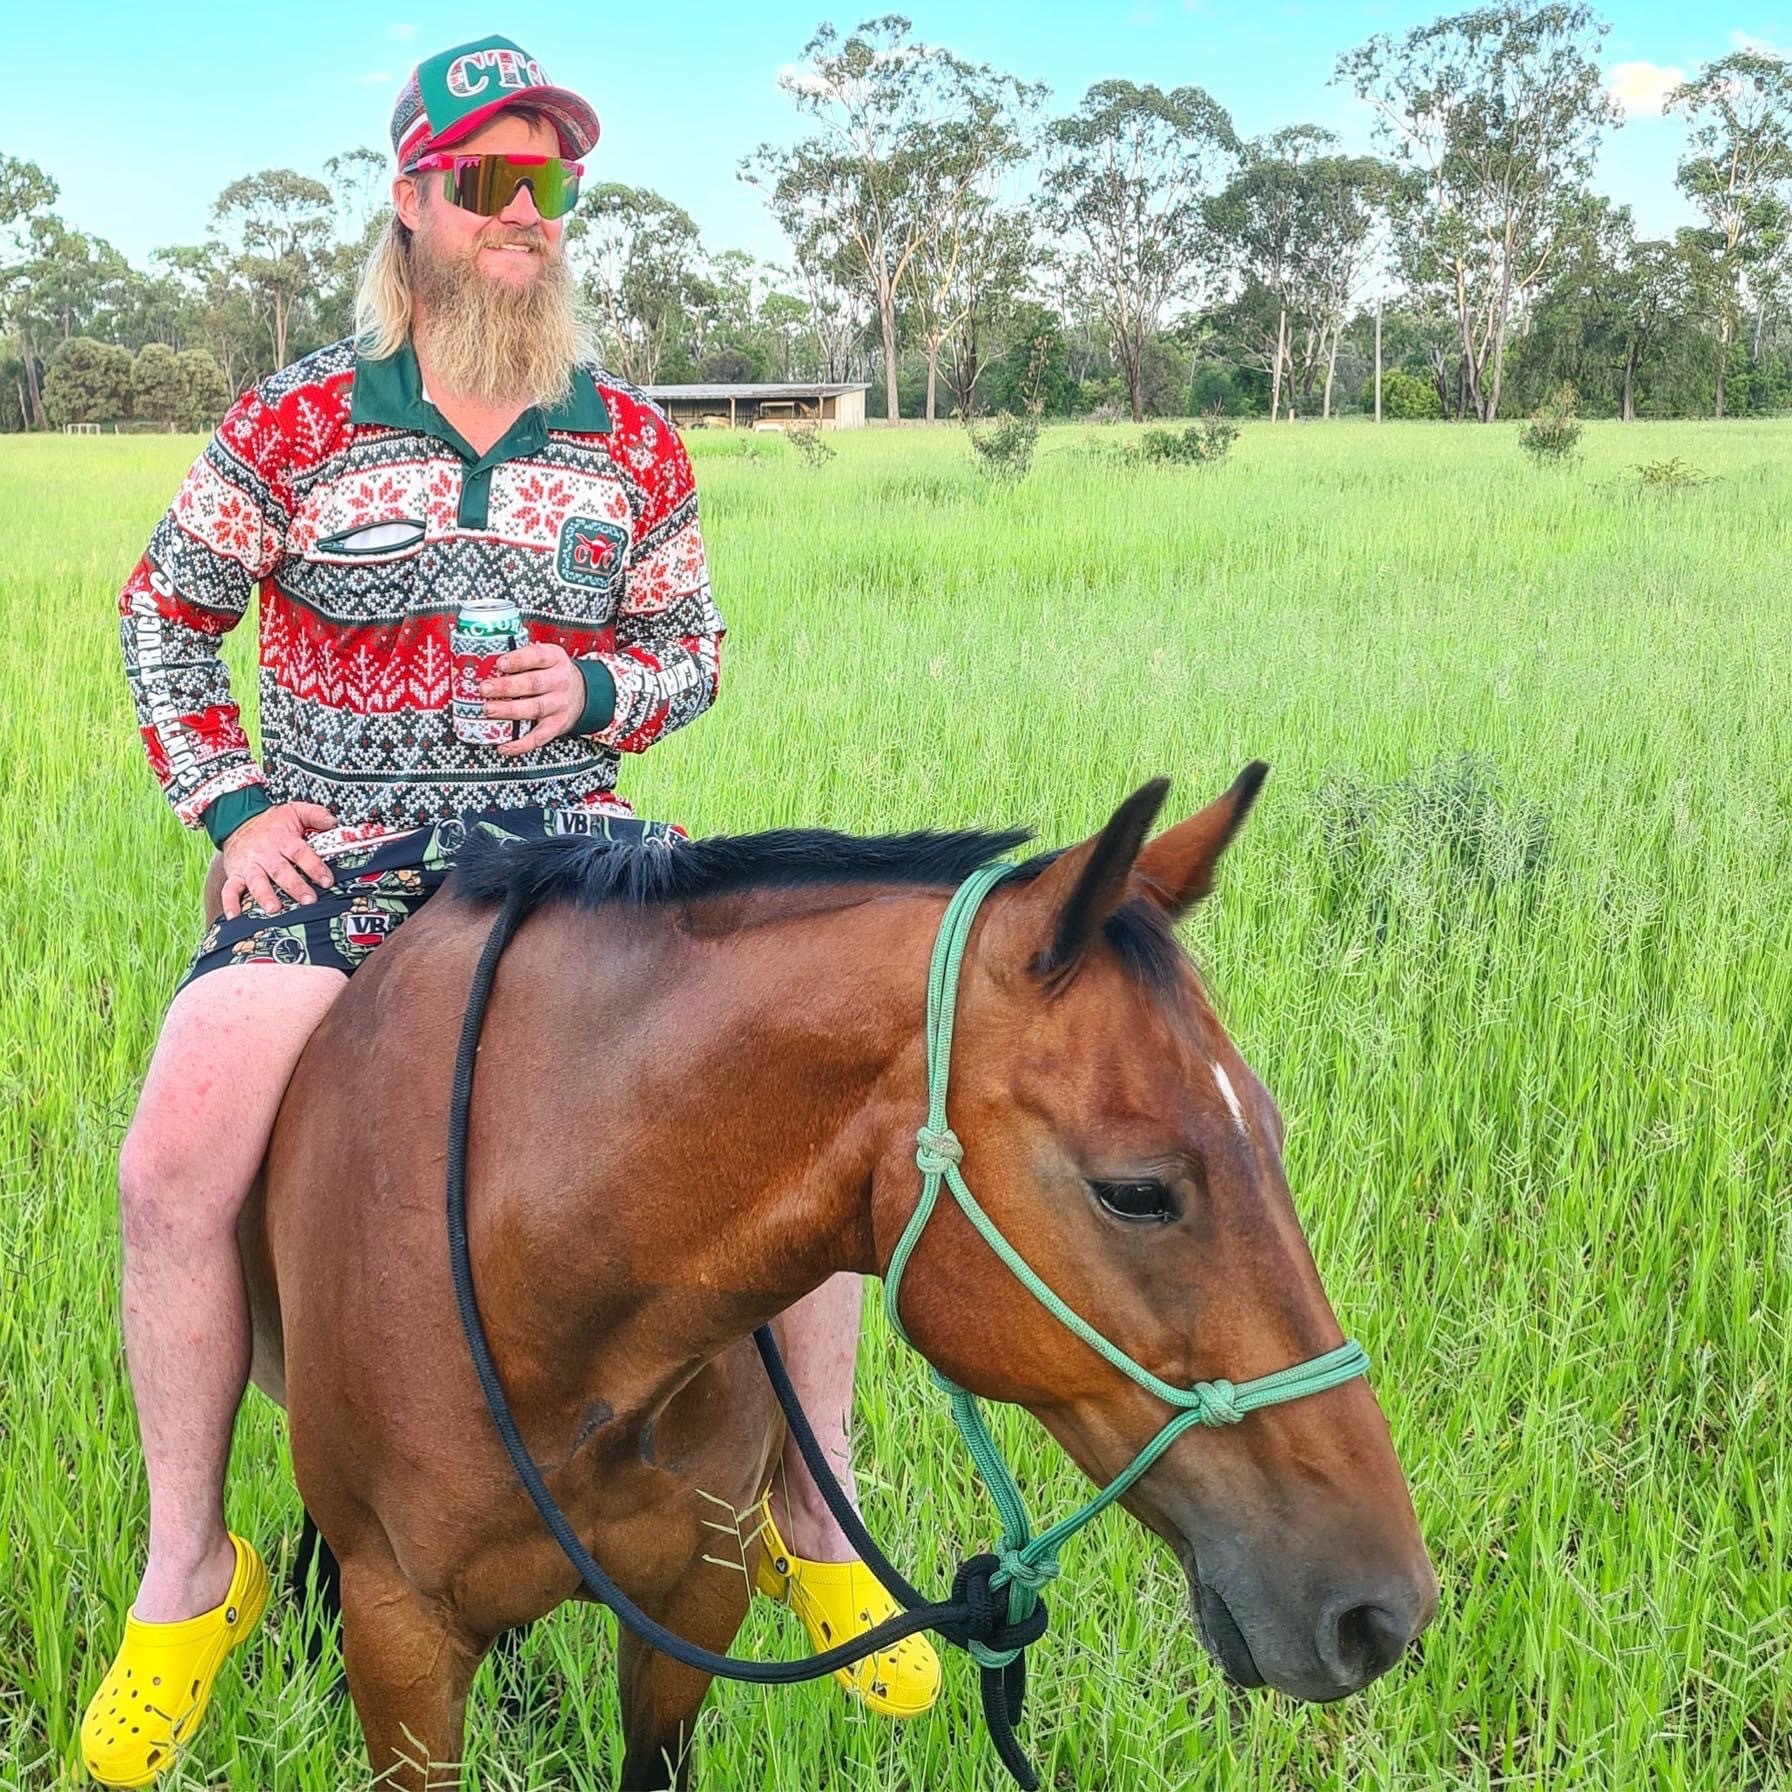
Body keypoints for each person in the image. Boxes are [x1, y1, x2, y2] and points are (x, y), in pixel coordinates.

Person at [82, 34, 938, 1786]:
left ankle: (815, 1510)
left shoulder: (626, 437)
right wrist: (235, 805)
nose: (528, 217)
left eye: (554, 186)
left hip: (576, 846)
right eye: (491, 183)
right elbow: (163, 616)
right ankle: (192, 1569)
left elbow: (689, 648)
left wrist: (596, 693)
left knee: (801, 1096)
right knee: (173, 1158)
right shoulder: (294, 422)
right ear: (412, 202)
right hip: (347, 854)